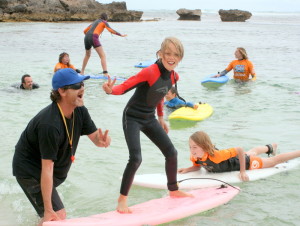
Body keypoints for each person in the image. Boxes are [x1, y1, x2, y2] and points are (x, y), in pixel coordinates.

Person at [102, 37, 193, 213]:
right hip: (133, 117)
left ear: (180, 57)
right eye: (167, 53)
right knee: (136, 158)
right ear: (160, 54)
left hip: (149, 118)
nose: (171, 57)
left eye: (175, 54)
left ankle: (173, 190)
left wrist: (160, 117)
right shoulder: (149, 72)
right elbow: (125, 86)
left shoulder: (174, 75)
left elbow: (160, 93)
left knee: (171, 152)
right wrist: (110, 90)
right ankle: (122, 201)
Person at [12, 68, 111, 225]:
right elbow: (47, 168)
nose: (82, 88)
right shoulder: (49, 124)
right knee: (56, 216)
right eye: (77, 85)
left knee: (54, 216)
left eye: (83, 84)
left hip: (49, 171)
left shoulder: (80, 111)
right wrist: (49, 209)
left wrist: (102, 140)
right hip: (29, 170)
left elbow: (96, 139)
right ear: (62, 91)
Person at [178, 131, 300, 182]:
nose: (192, 150)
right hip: (237, 159)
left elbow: (239, 150)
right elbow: (198, 167)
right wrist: (188, 169)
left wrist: (242, 171)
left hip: (245, 163)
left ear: (204, 146)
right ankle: (271, 147)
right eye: (190, 147)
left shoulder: (217, 155)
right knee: (251, 152)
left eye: (195, 147)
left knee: (273, 161)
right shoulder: (194, 156)